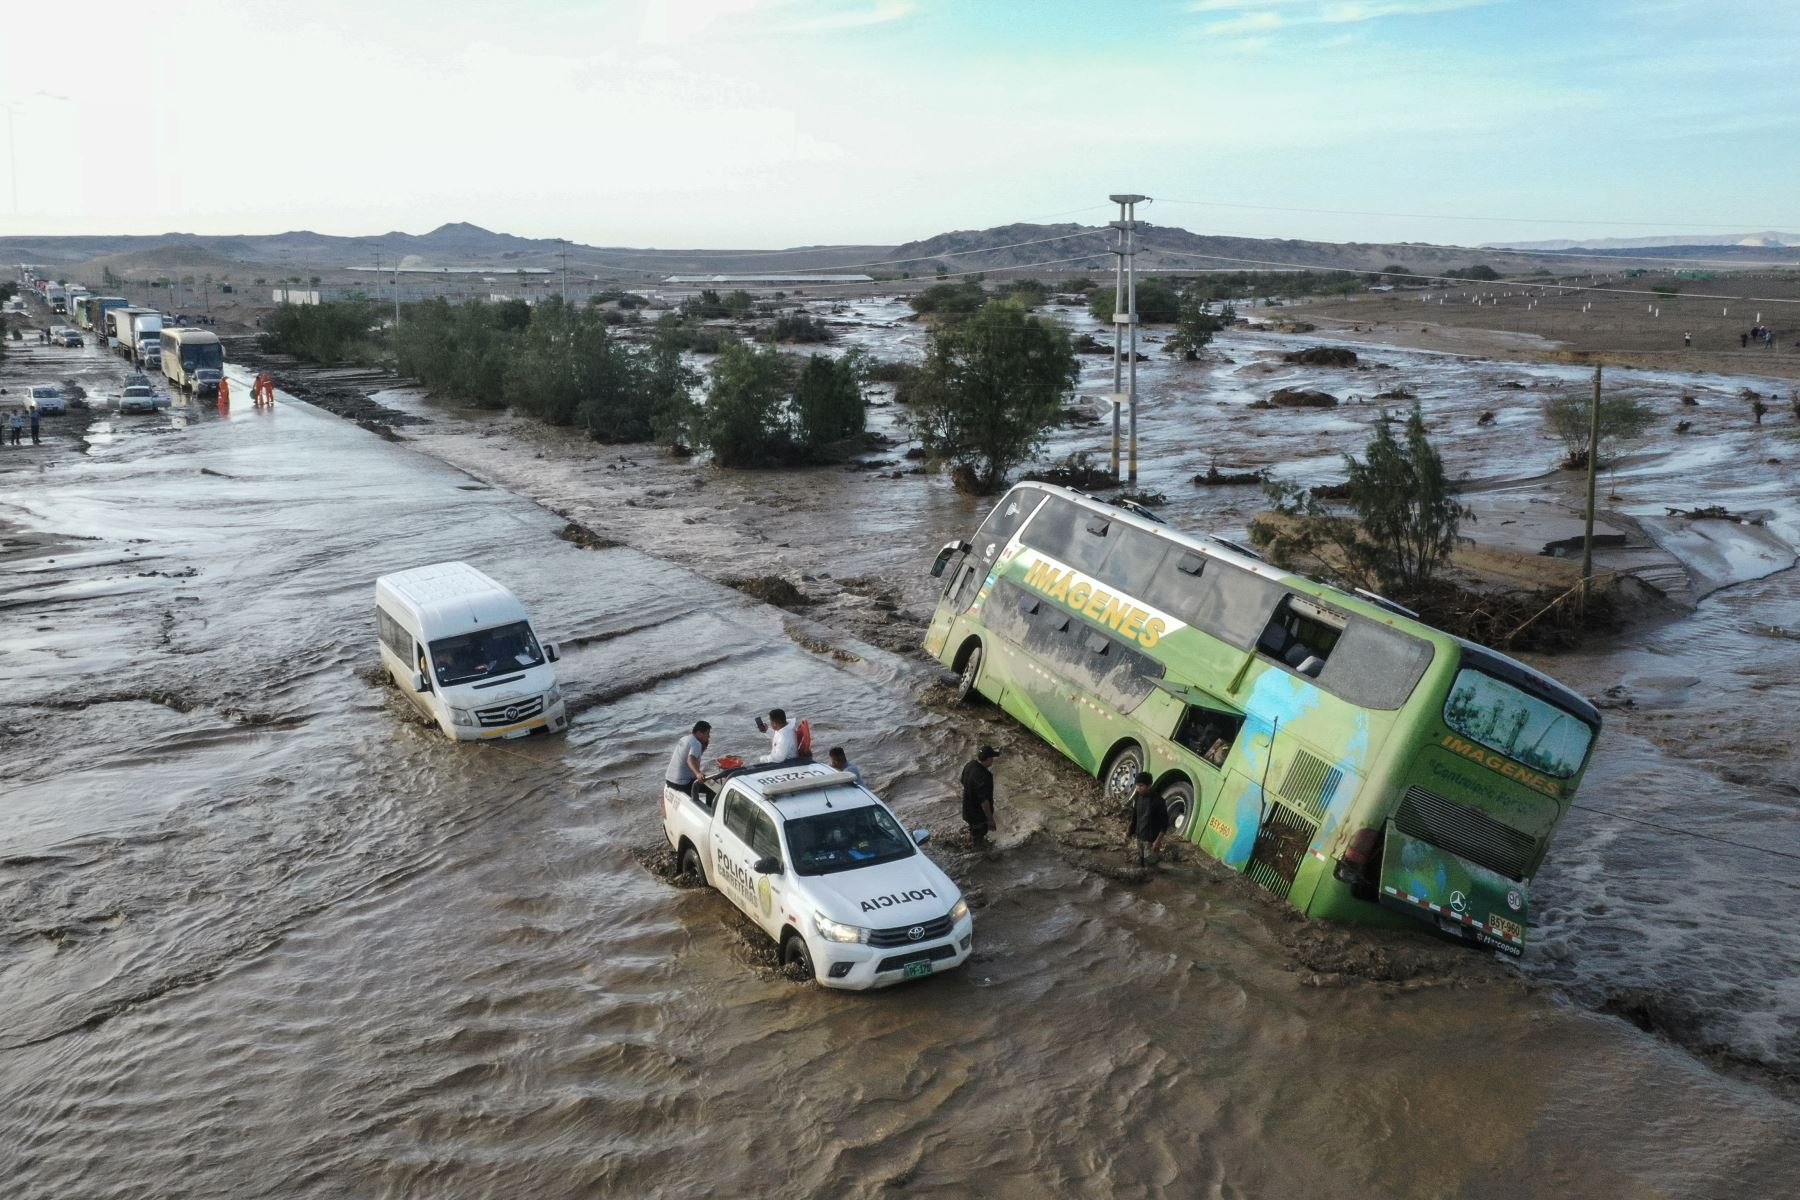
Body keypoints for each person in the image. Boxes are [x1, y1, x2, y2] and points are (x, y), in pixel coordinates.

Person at [1124, 772, 1170, 867]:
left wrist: (1157, 842)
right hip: (1139, 836)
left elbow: (1165, 824)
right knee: (1141, 861)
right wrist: (1129, 833)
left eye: (1141, 786)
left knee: (1151, 865)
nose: (1138, 788)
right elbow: (1135, 816)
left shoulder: (1159, 801)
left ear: (1149, 785)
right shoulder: (1137, 796)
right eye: (1137, 785)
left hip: (1151, 840)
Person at [960, 746, 1000, 848]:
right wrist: (990, 820)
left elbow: (962, 781)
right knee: (978, 842)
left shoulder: (969, 765)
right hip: (978, 817)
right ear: (988, 759)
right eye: (992, 758)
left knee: (973, 831)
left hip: (967, 810)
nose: (993, 761)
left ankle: (968, 842)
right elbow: (984, 802)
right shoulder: (985, 776)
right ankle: (978, 853)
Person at [666, 720, 712, 799]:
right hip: (681, 783)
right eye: (707, 733)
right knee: (712, 788)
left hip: (669, 779)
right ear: (700, 733)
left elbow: (686, 758)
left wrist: (703, 747)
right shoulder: (696, 743)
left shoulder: (684, 738)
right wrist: (698, 773)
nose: (709, 736)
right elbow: (690, 759)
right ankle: (710, 810)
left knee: (703, 779)